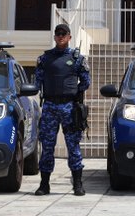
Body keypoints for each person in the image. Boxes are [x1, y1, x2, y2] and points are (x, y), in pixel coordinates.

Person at [33, 23, 90, 196]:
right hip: (50, 106)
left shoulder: (77, 58)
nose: (60, 36)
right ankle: (44, 185)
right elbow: (37, 83)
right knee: (47, 146)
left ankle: (78, 185)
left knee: (73, 146)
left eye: (63, 34)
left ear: (69, 37)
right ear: (54, 37)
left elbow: (86, 82)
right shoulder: (45, 59)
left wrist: (73, 95)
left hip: (69, 107)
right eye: (57, 34)